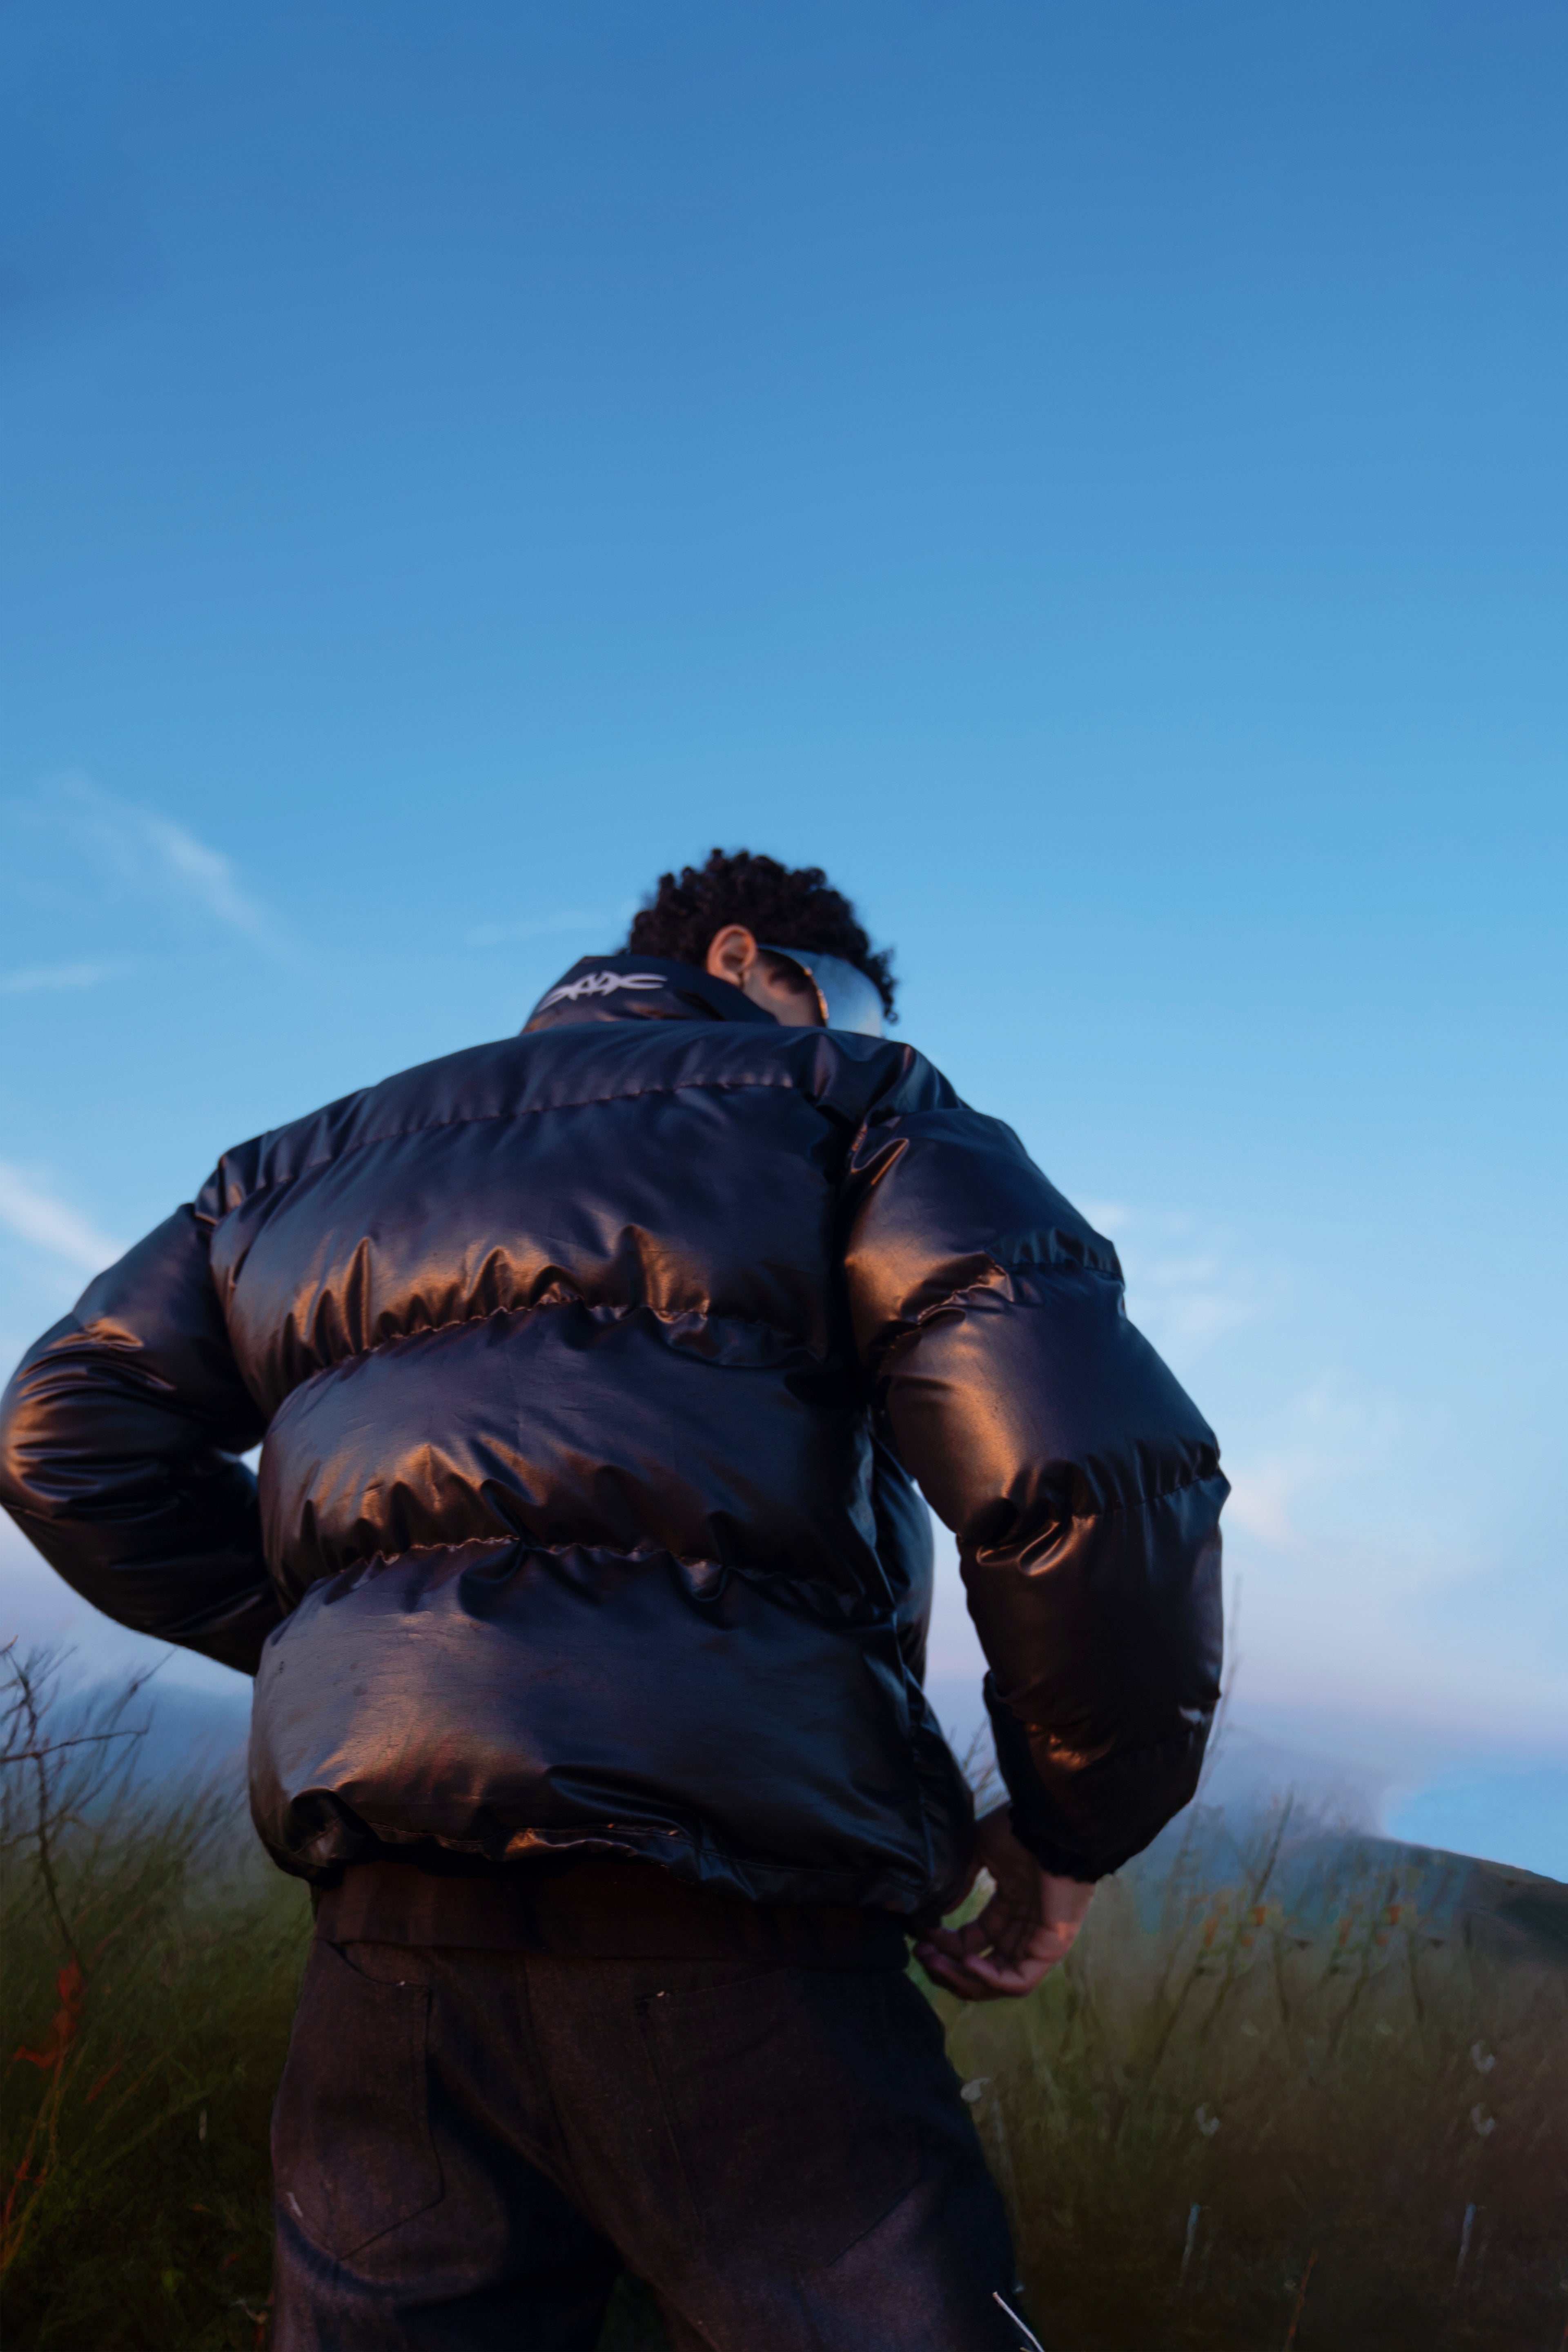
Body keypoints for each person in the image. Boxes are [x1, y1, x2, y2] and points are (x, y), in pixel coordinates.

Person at [0, 848, 1226, 2352]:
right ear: (737, 958)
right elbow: (1081, 1465)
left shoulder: (289, 1172)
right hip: (744, 1948)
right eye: (833, 999)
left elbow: (60, 1432)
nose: (841, 1029)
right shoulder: (850, 1101)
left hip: (390, 1957)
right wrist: (1069, 1818)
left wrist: (381, 1643)